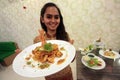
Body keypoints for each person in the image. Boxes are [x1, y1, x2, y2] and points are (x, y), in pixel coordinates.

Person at [34, 2, 74, 80]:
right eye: (49, 17)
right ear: (42, 19)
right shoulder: (38, 40)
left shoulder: (65, 35)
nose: (53, 20)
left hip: (67, 74)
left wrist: (71, 50)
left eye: (56, 17)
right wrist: (26, 58)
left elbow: (72, 60)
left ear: (60, 19)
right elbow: (39, 62)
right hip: (50, 77)